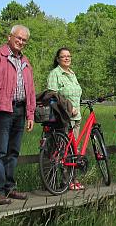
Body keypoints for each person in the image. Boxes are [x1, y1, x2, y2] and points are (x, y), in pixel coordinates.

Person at [0, 25, 35, 205]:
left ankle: (9, 188)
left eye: (24, 40)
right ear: (9, 37)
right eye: (18, 38)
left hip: (19, 110)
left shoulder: (26, 62)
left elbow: (30, 90)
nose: (21, 42)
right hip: (1, 110)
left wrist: (30, 114)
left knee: (13, 152)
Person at [46, 47, 83, 190]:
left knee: (75, 148)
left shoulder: (72, 73)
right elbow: (52, 95)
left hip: (76, 117)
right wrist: (68, 108)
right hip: (63, 117)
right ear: (58, 59)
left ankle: (74, 179)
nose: (67, 58)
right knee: (63, 150)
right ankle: (65, 181)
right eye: (63, 56)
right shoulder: (55, 74)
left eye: (69, 56)